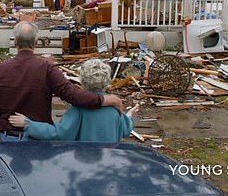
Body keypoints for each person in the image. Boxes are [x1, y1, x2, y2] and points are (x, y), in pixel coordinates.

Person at [0, 22, 124, 142]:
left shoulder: (2, 69)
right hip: (38, 140)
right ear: (36, 43)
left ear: (16, 42)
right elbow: (73, 95)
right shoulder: (46, 69)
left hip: (9, 138)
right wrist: (105, 99)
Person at [8, 59, 138, 142]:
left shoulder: (79, 109)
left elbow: (59, 134)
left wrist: (29, 124)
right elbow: (124, 130)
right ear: (107, 81)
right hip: (109, 164)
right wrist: (129, 115)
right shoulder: (114, 109)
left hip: (84, 163)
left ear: (82, 80)